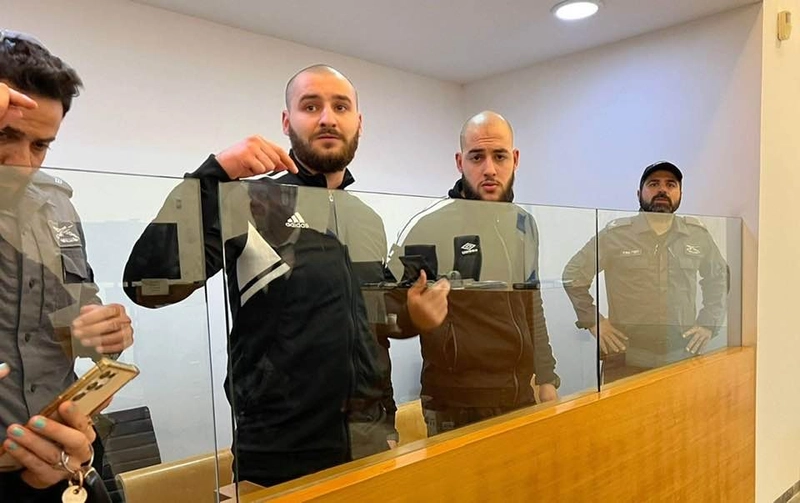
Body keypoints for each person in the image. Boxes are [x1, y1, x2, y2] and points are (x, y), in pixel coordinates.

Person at [123, 64, 393, 487]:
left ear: (358, 122)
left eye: (341, 107)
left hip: (371, 440)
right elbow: (148, 283)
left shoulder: (366, 219)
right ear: (287, 121)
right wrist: (213, 174)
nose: (327, 118)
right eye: (310, 106)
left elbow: (370, 327)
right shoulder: (251, 202)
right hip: (278, 452)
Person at [0, 29, 134, 500]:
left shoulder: (57, 206)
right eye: (4, 135)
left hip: (69, 453)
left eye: (40, 145)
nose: (23, 163)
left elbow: (75, 311)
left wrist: (98, 333)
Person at [382, 111, 559, 437]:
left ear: (515, 159)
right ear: (459, 162)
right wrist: (413, 317)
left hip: (520, 394)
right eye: (477, 157)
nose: (489, 169)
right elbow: (385, 312)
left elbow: (532, 303)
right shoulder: (430, 226)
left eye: (499, 156)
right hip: (455, 404)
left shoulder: (524, 224)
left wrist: (547, 377)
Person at [562, 161, 729, 380]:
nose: (662, 190)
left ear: (680, 194)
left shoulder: (697, 235)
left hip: (681, 355)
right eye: (653, 184)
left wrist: (709, 322)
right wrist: (594, 320)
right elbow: (573, 275)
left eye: (671, 185)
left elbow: (719, 277)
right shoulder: (616, 235)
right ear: (639, 193)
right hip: (626, 358)